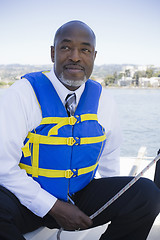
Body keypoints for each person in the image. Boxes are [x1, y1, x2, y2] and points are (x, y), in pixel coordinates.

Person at [0, 20, 160, 240]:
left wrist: (118, 200)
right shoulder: (21, 94)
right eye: (66, 47)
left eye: (85, 49)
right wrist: (53, 206)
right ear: (53, 53)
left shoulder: (104, 100)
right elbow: (3, 166)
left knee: (145, 193)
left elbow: (110, 155)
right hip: (25, 200)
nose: (75, 56)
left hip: (80, 197)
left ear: (94, 56)